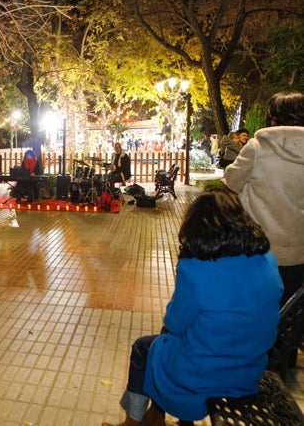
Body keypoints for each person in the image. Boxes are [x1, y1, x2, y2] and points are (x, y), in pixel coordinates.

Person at [103, 187, 282, 426]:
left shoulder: (196, 267)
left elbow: (175, 323)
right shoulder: (267, 259)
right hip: (249, 370)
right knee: (173, 344)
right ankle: (159, 416)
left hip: (203, 373)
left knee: (146, 348)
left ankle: (134, 421)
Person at [224, 90, 304, 307]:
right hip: (299, 253)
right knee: (286, 313)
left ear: (273, 116)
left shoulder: (258, 147)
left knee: (253, 312)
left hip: (258, 250)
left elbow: (231, 180)